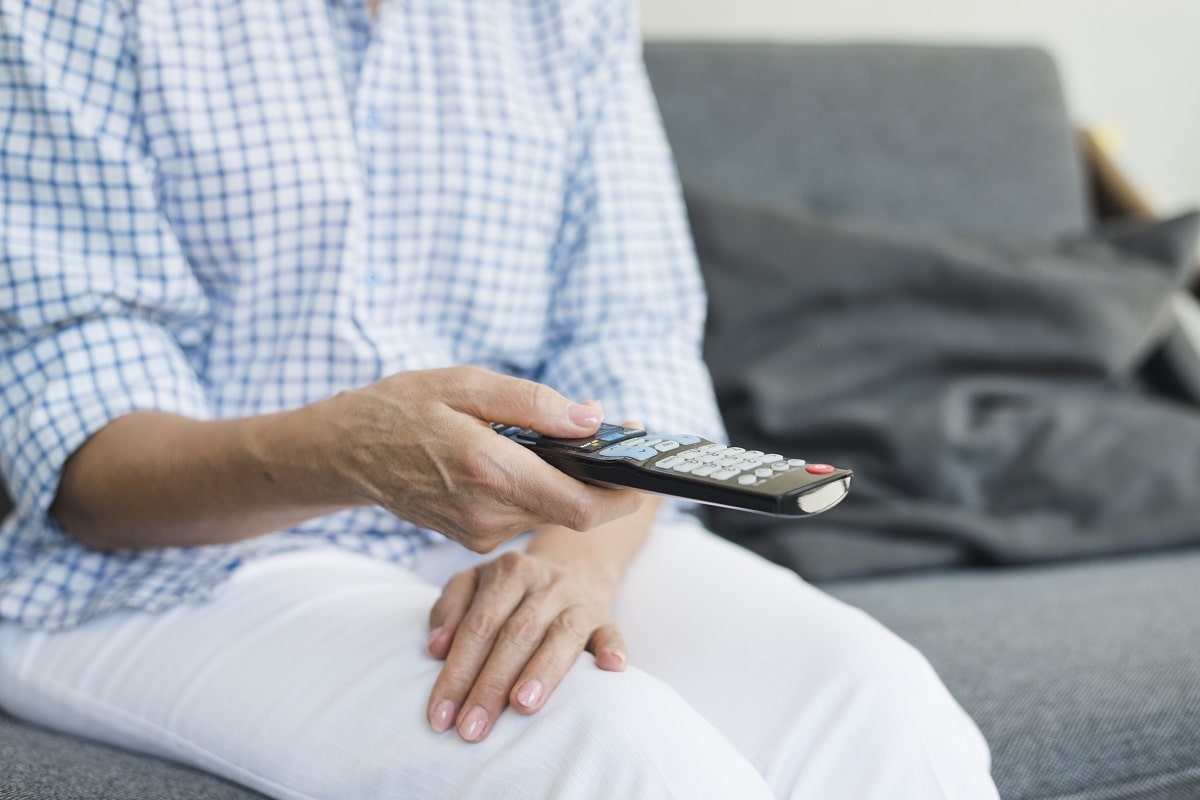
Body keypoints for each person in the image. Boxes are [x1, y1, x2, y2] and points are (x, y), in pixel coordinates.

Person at [0, 0, 1000, 797]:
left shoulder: (562, 14)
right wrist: (344, 451)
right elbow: (86, 460)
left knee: (882, 706)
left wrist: (573, 561)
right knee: (621, 757)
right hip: (180, 560)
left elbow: (632, 335)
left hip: (516, 526)